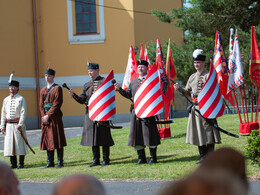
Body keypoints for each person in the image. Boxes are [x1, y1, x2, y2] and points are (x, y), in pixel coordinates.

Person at [174, 49, 221, 164]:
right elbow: (188, 92)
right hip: (196, 109)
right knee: (199, 132)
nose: (196, 64)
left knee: (209, 132)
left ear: (203, 63)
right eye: (195, 62)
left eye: (198, 62)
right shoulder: (192, 77)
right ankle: (203, 157)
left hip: (207, 109)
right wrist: (180, 89)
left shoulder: (209, 76)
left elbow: (213, 91)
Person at [114, 60, 161, 165]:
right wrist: (120, 89)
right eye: (139, 67)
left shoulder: (151, 80)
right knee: (138, 135)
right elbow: (128, 94)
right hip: (136, 113)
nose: (140, 68)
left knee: (150, 135)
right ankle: (142, 158)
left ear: (147, 68)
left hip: (148, 112)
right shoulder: (134, 82)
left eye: (142, 66)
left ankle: (153, 158)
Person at [69, 62, 114, 167]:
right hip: (90, 115)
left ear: (97, 70)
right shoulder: (86, 85)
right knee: (93, 138)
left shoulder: (105, 82)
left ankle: (106, 160)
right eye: (88, 70)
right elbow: (82, 100)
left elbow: (108, 97)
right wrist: (74, 95)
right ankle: (96, 160)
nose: (90, 72)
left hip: (102, 114)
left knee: (104, 137)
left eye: (92, 70)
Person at [39, 68, 67, 168]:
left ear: (53, 76)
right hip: (46, 118)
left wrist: (48, 115)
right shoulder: (42, 90)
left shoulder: (57, 88)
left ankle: (60, 162)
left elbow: (57, 103)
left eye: (49, 76)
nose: (47, 77)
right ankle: (50, 162)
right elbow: (41, 105)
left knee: (57, 139)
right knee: (48, 140)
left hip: (55, 117)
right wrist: (43, 116)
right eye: (46, 76)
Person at [0, 80, 28, 169]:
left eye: (13, 86)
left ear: (17, 88)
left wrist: (20, 124)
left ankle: (21, 164)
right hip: (8, 125)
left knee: (20, 144)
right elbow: (3, 113)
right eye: (10, 86)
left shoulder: (21, 99)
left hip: (18, 125)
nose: (11, 88)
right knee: (10, 145)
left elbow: (23, 112)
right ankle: (13, 164)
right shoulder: (6, 100)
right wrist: (2, 126)